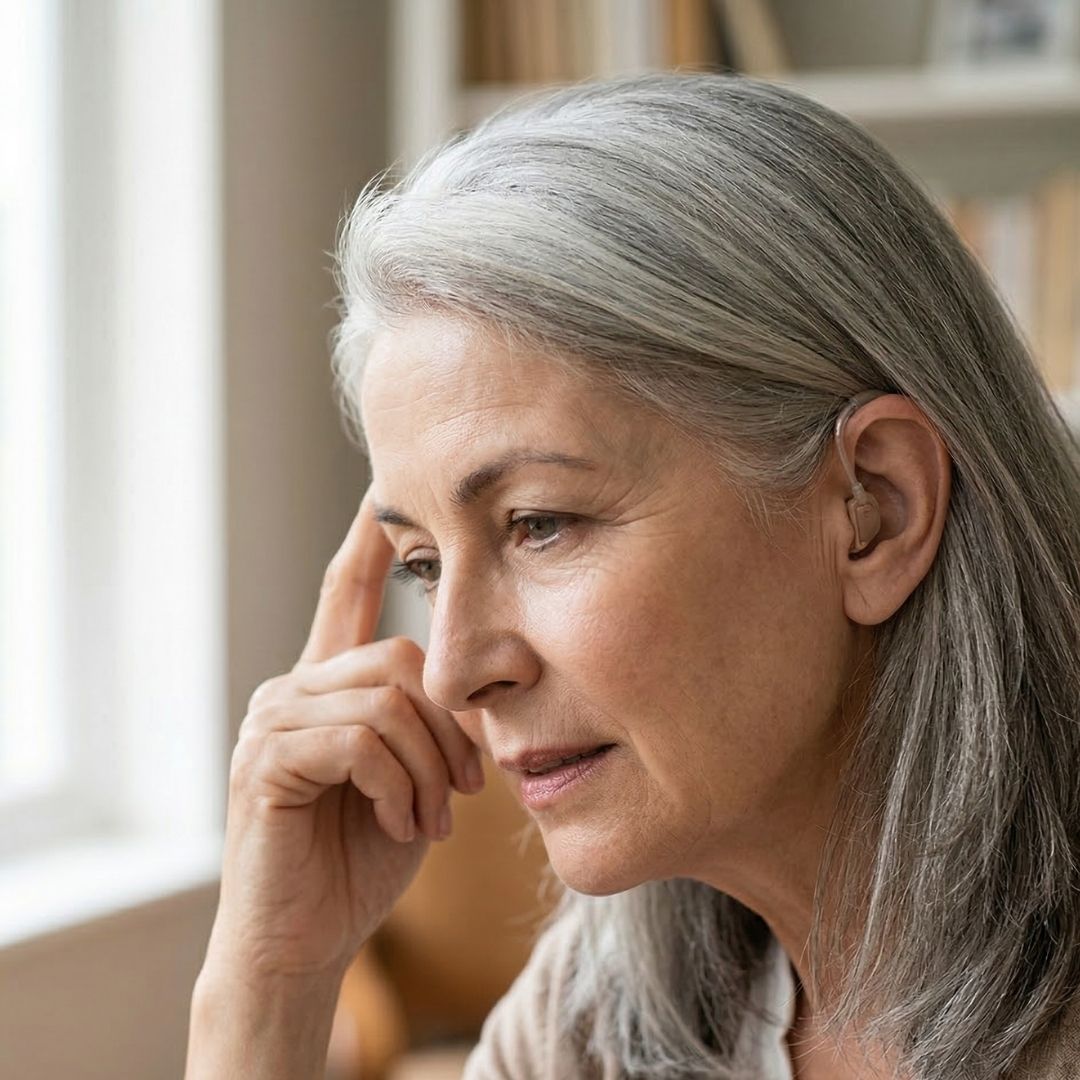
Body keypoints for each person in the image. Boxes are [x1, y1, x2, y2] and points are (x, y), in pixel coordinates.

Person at [184, 72, 1080, 1080]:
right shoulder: (600, 1015)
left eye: (539, 524)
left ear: (876, 508)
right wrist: (266, 984)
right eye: (425, 564)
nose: (452, 674)